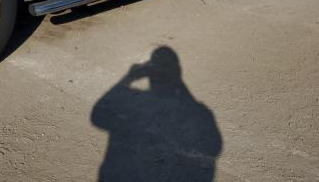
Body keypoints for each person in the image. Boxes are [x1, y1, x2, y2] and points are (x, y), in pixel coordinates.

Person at [92, 46, 222, 182]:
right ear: (177, 73)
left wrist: (129, 77)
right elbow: (214, 148)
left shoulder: (135, 101)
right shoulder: (197, 111)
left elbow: (97, 114)